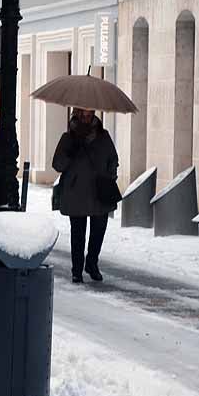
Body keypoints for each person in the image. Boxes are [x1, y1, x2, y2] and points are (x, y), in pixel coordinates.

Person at [52, 107, 119, 284]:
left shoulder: (103, 136)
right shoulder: (68, 138)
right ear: (78, 114)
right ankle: (77, 270)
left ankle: (92, 263)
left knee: (99, 230)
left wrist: (111, 174)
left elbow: (113, 158)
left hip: (99, 191)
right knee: (78, 233)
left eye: (90, 113)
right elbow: (57, 164)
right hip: (76, 191)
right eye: (84, 114)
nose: (87, 117)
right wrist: (70, 154)